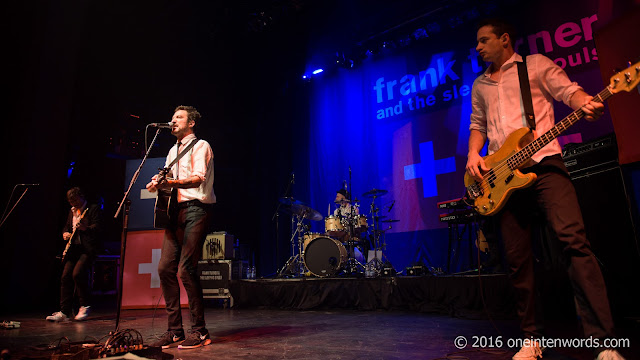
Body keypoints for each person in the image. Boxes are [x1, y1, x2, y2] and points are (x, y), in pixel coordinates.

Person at [466, 19, 624, 360]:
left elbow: (569, 91)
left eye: (483, 40)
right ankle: (531, 339)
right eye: (476, 42)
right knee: (518, 260)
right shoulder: (479, 85)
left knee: (574, 242)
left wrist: (585, 101)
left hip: (546, 164)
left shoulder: (535, 65)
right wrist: (472, 154)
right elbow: (477, 125)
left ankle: (604, 341)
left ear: (504, 39)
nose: (477, 47)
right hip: (503, 178)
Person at [146, 105, 216, 349]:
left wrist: (171, 182)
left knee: (186, 269)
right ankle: (175, 330)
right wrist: (158, 182)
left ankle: (200, 331)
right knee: (165, 267)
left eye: (179, 117)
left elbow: (198, 178)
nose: (173, 121)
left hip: (196, 209)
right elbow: (169, 180)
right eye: (172, 117)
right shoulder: (172, 150)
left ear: (191, 123)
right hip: (174, 211)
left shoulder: (201, 145)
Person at [46, 187, 101, 322]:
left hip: (87, 249)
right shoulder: (72, 212)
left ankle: (84, 306)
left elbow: (98, 228)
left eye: (75, 200)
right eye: (70, 201)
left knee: (78, 274)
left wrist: (85, 229)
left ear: (81, 196)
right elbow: (67, 226)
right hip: (73, 249)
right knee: (65, 277)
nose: (73, 203)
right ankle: (64, 312)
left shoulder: (92, 209)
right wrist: (65, 233)